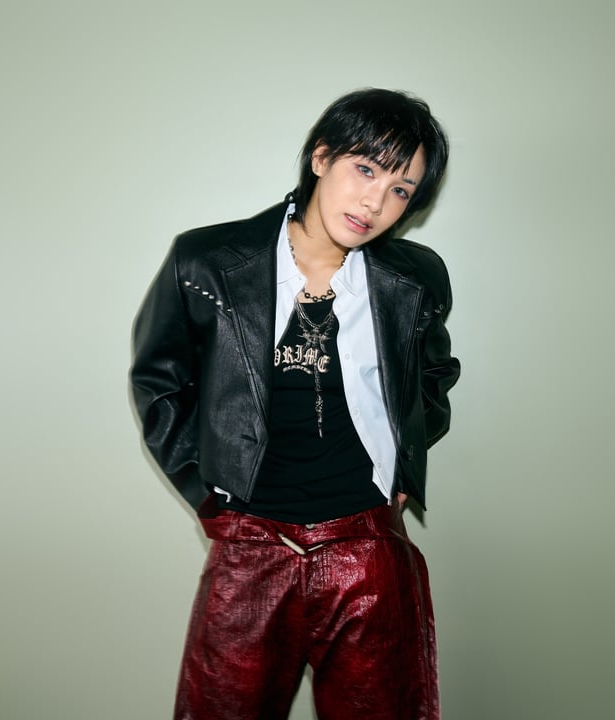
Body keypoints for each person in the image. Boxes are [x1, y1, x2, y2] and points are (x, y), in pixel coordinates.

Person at [129, 88, 460, 720]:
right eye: (365, 169)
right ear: (321, 157)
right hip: (250, 544)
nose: (375, 202)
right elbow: (158, 383)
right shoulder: (206, 261)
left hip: (366, 545)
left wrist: (402, 465)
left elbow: (435, 375)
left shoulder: (416, 277)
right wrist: (207, 495)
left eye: (401, 189)